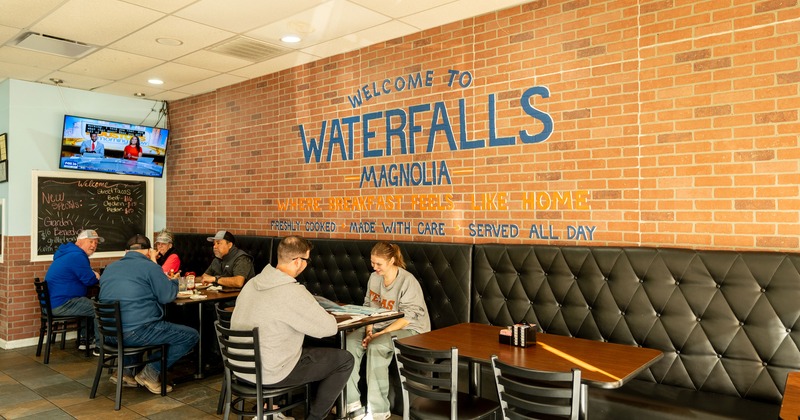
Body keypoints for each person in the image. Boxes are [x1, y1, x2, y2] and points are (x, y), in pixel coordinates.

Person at [231, 236, 354, 420]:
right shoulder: (292, 291)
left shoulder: (252, 283)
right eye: (307, 260)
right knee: (344, 360)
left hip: (239, 367)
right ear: (298, 261)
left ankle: (269, 408)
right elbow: (327, 329)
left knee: (285, 349)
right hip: (270, 373)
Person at [99, 234, 199, 394]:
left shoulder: (110, 268)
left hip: (108, 334)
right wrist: (174, 282)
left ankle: (125, 372)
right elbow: (166, 296)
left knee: (133, 321)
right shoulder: (150, 267)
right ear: (148, 252)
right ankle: (150, 373)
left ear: (126, 251)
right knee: (191, 335)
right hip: (134, 333)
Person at [345, 242, 431, 420]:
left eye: (378, 264)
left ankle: (378, 411)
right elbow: (369, 307)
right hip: (378, 324)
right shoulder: (374, 278)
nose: (374, 267)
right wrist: (369, 330)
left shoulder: (407, 281)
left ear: (392, 260)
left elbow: (408, 317)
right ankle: (352, 404)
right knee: (350, 341)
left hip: (411, 328)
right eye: (372, 263)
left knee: (377, 346)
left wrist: (378, 335)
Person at [45, 229, 103, 352]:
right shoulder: (77, 256)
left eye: (96, 243)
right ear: (79, 242)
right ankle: (101, 347)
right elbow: (90, 280)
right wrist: (96, 276)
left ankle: (85, 340)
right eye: (91, 241)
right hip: (62, 304)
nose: (93, 246)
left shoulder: (68, 253)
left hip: (53, 303)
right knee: (99, 308)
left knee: (85, 302)